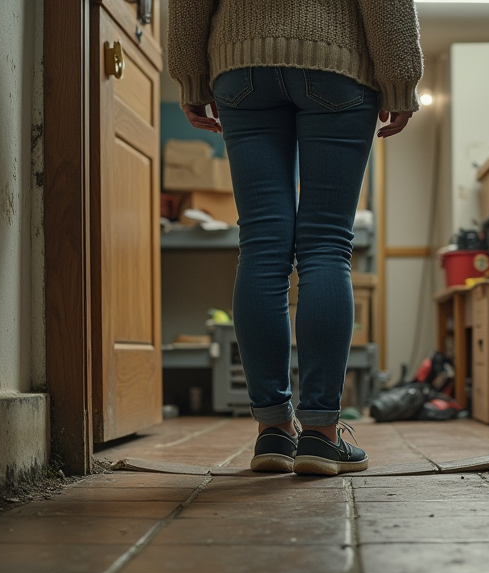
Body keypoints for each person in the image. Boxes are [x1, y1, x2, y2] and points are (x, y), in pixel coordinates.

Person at [168, 0, 422, 476]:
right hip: (337, 59)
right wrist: (400, 79)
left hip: (241, 64)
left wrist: (190, 75)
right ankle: (322, 435)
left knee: (262, 244)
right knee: (326, 243)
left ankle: (273, 430)